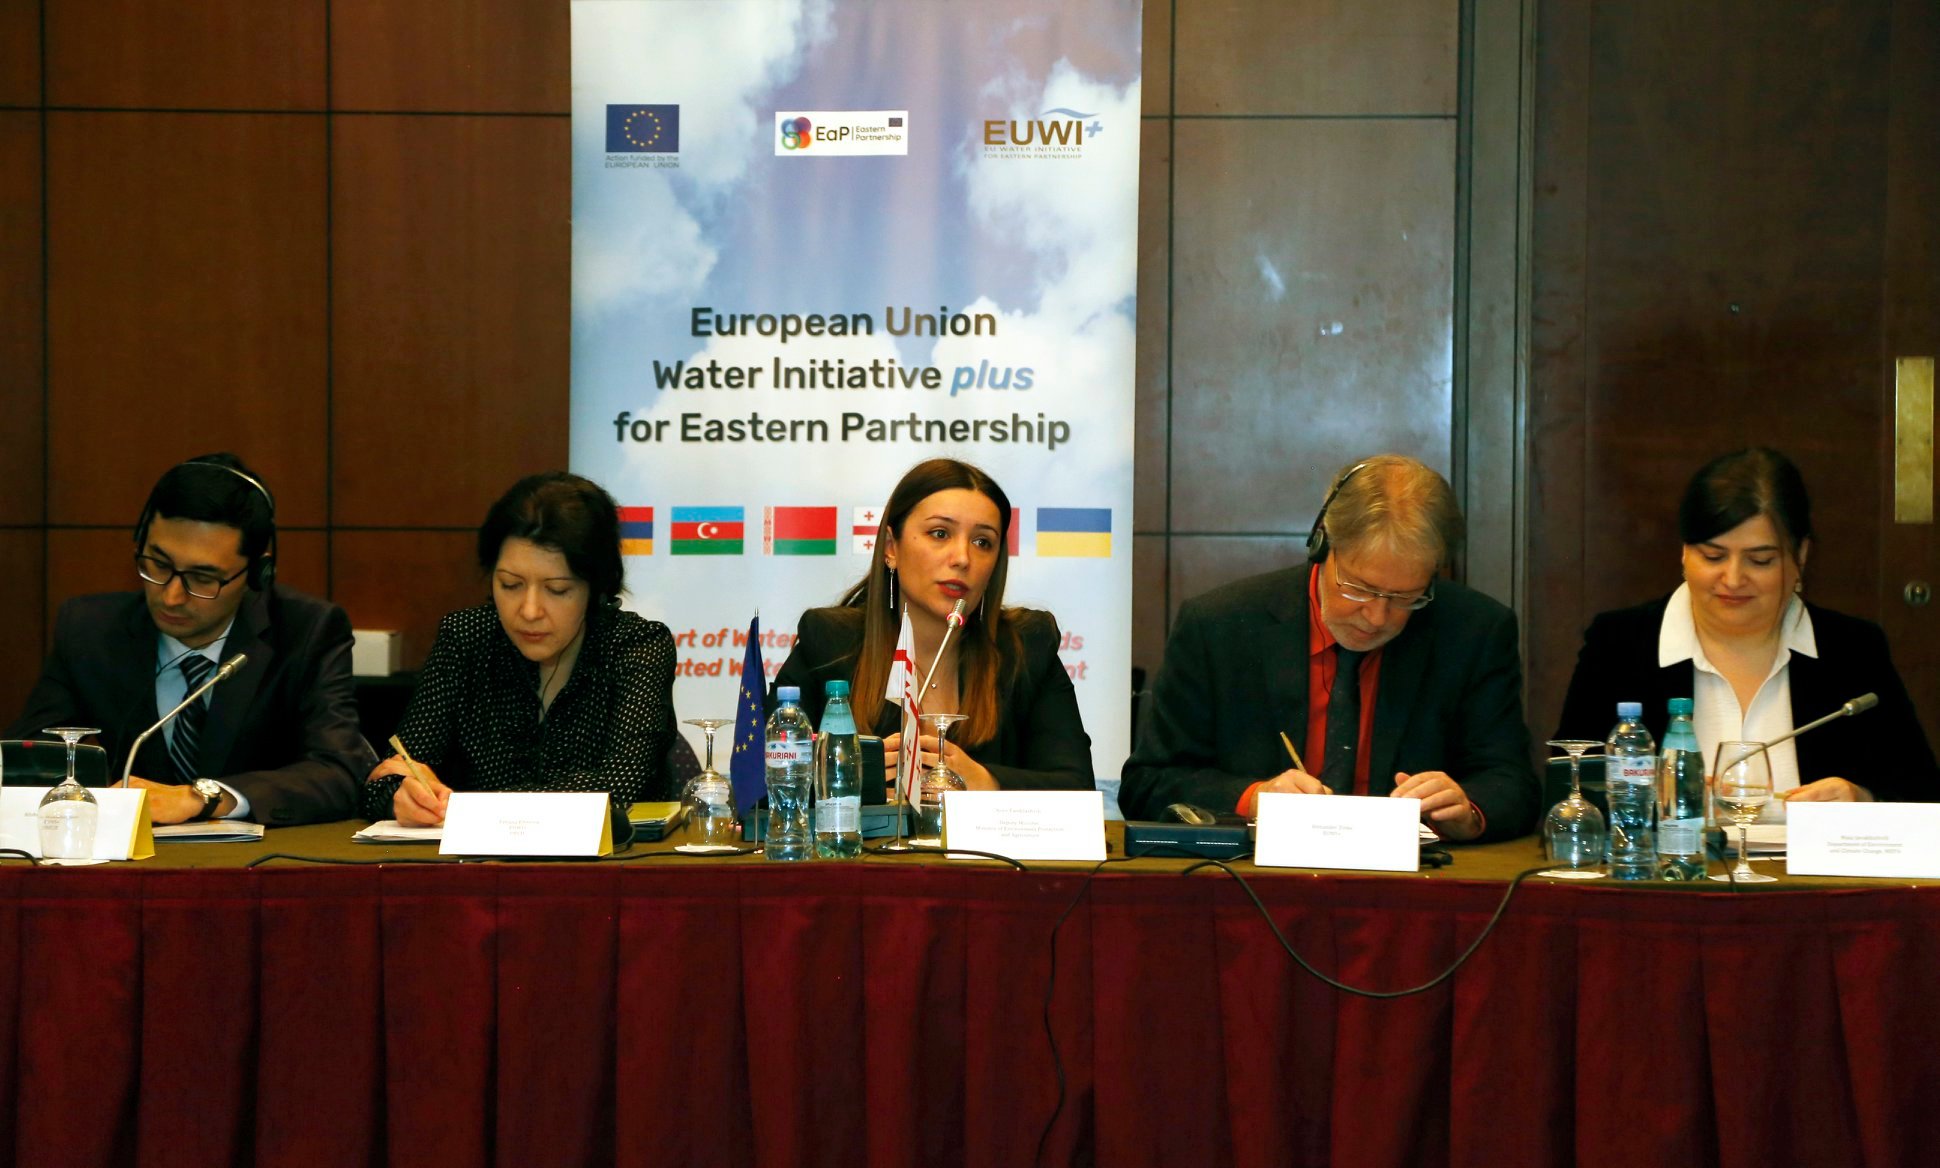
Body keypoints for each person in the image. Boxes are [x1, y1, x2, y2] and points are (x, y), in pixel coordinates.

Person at [1121, 454, 1538, 841]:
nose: (1377, 616)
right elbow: (1148, 783)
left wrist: (1467, 809)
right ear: (1322, 545)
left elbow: (1512, 782)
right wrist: (1254, 798)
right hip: (1254, 877)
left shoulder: (1473, 631)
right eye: (1360, 588)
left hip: (1413, 879)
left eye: (1405, 597)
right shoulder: (1219, 626)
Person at [1554, 447, 1937, 806]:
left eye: (1760, 560)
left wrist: (1862, 799)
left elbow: (1922, 795)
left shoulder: (1853, 650)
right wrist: (1653, 801)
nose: (1733, 579)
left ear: (1800, 557)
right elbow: (1567, 790)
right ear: (1684, 553)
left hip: (1807, 860)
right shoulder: (1620, 645)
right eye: (1713, 556)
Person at [7, 454, 372, 825]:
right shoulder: (89, 630)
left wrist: (205, 797)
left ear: (257, 573)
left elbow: (340, 773)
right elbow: (26, 762)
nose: (171, 597)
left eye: (202, 578)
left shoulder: (306, 631)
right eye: (158, 564)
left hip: (256, 858)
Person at [361, 472, 677, 826]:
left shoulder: (637, 645)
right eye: (510, 585)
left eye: (557, 590)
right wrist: (401, 796)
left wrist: (467, 806)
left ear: (595, 588)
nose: (529, 611)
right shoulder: (466, 638)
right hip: (476, 859)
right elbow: (393, 772)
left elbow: (619, 786)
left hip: (612, 859)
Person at [772, 458, 1093, 793]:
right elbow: (761, 786)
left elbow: (1077, 789)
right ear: (891, 548)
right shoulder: (828, 643)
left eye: (982, 542)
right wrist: (849, 781)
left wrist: (988, 783)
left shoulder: (1027, 648)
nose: (963, 558)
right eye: (940, 534)